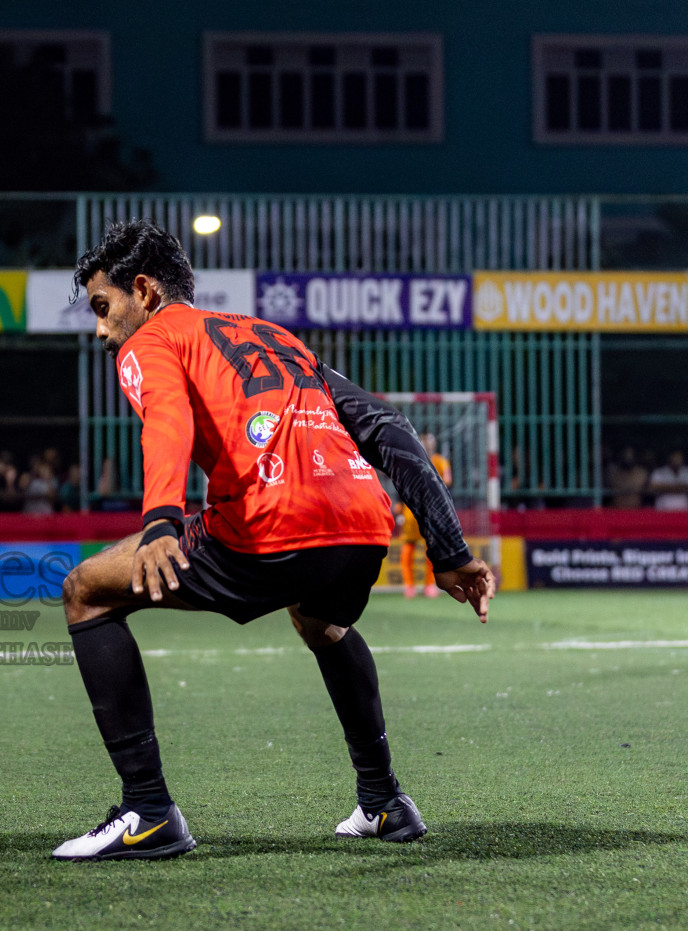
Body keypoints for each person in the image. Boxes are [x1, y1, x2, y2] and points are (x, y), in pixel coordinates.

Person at [51, 221, 495, 861]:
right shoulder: (272, 335)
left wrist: (160, 523)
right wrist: (449, 551)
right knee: (322, 622)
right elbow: (388, 427)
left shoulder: (151, 342)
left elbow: (167, 421)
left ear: (143, 291)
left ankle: (147, 811)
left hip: (270, 523)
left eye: (102, 308)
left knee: (86, 591)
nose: (101, 329)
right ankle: (384, 802)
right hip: (364, 523)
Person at [398, 432, 454, 598]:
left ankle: (430, 585)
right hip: (411, 511)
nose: (427, 445)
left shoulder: (440, 461)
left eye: (429, 442)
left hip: (432, 511)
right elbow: (400, 482)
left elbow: (447, 482)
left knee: (432, 549)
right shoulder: (410, 459)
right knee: (408, 548)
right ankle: (409, 586)